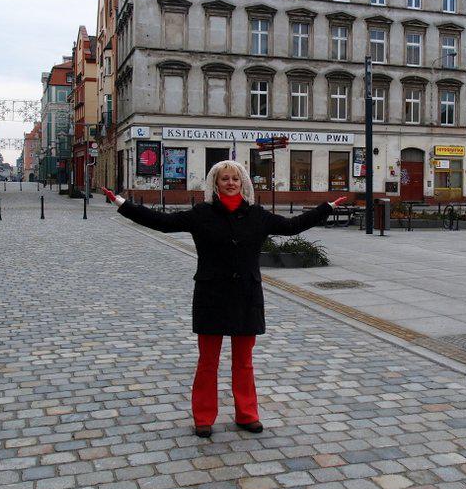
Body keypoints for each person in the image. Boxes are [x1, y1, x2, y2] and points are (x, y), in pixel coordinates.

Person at [102, 160, 346, 438]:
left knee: (244, 362)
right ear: (215, 184)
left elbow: (292, 226)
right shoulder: (201, 214)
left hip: (246, 295)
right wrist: (122, 203)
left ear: (243, 183)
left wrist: (326, 208)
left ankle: (247, 414)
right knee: (208, 362)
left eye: (235, 179)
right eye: (225, 179)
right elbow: (162, 222)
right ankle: (203, 417)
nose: (231, 183)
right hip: (211, 295)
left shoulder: (257, 215)